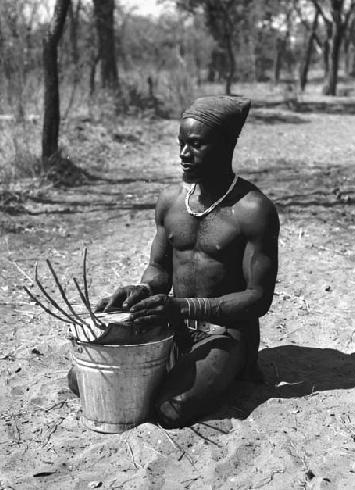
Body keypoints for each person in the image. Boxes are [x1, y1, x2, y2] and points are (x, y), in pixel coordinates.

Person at [95, 95, 280, 428]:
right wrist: (141, 289)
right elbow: (160, 270)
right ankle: (176, 370)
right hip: (172, 324)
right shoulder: (170, 202)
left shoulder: (253, 211)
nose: (183, 154)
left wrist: (184, 307)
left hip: (225, 333)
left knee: (170, 410)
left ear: (226, 145)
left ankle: (220, 372)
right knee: (85, 379)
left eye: (196, 144)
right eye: (181, 143)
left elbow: (258, 298)